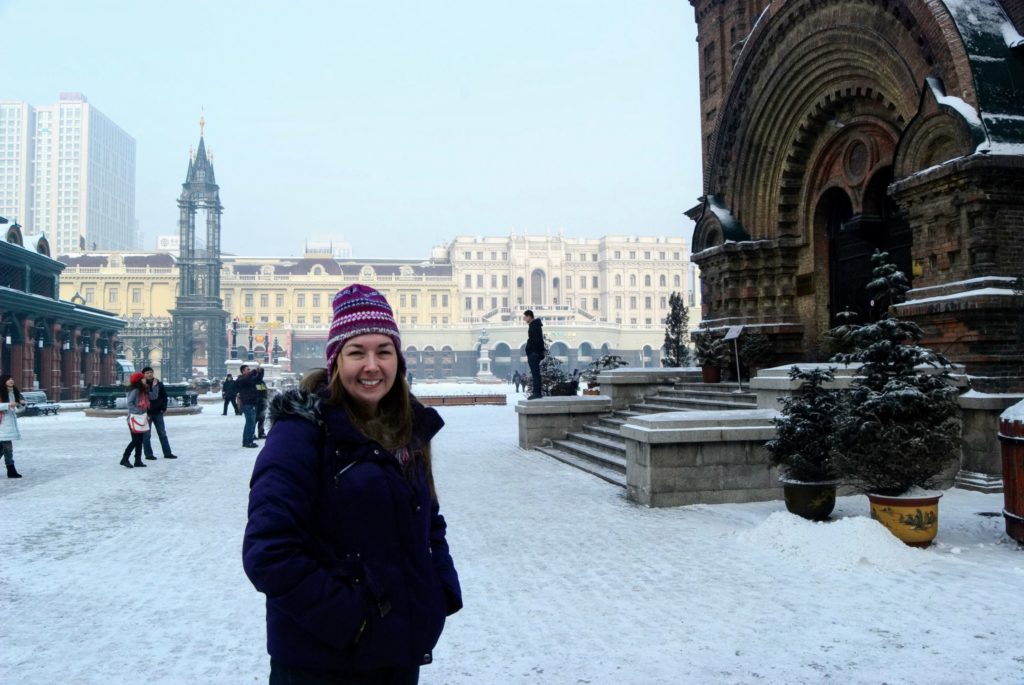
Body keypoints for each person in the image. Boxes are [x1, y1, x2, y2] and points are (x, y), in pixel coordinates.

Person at [243, 283, 462, 685]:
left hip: (397, 654)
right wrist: (353, 621)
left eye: (384, 350)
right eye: (356, 352)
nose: (372, 365)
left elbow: (429, 519)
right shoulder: (302, 434)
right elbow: (269, 551)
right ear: (335, 360)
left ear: (399, 359)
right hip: (322, 663)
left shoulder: (406, 432)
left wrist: (440, 590)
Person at [142, 367, 178, 460]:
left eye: (151, 372)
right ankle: (148, 454)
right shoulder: (142, 385)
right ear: (144, 374)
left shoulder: (159, 384)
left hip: (158, 412)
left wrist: (163, 407)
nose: (149, 374)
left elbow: (164, 396)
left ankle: (167, 453)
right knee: (146, 435)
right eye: (147, 373)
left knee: (162, 433)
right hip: (147, 413)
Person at [121, 372, 150, 468]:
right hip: (134, 418)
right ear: (139, 380)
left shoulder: (142, 389)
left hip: (141, 417)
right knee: (135, 440)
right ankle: (125, 458)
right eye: (142, 378)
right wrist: (139, 411)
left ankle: (138, 460)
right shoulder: (135, 390)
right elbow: (130, 403)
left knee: (140, 440)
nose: (145, 379)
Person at [0, 374, 26, 478]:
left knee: (3, 449)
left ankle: (11, 470)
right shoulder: (1, 392)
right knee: (8, 448)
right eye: (9, 379)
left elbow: (16, 410)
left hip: (9, 423)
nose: (11, 380)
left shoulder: (13, 391)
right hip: (2, 424)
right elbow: (7, 406)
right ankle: (11, 470)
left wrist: (21, 404)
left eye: (12, 379)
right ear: (3, 381)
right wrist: (8, 405)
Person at [235, 362, 264, 448]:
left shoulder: (249, 379)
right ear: (243, 371)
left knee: (250, 423)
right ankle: (247, 442)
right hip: (247, 404)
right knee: (250, 423)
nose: (249, 371)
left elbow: (258, 379)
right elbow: (246, 379)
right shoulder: (241, 379)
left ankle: (248, 440)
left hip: (252, 403)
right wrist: (253, 372)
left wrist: (261, 371)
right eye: (248, 369)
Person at [523, 309, 546, 399]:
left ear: (529, 316)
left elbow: (536, 340)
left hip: (534, 354)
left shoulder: (533, 326)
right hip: (535, 353)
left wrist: (531, 350)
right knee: (536, 373)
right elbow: (539, 340)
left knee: (535, 374)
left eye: (525, 317)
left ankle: (536, 393)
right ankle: (537, 392)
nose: (524, 319)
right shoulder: (535, 325)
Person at [255, 372, 269, 440]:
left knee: (261, 418)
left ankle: (261, 432)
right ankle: (258, 433)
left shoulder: (260, 381)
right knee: (257, 419)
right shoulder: (256, 381)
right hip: (258, 401)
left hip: (261, 401)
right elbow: (262, 391)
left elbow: (264, 391)